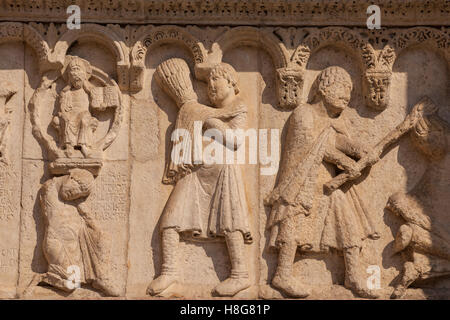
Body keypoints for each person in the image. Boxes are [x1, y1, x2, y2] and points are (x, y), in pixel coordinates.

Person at [266, 66, 380, 298]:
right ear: (324, 88)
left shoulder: (333, 121)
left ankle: (353, 276)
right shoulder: (304, 113)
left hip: (326, 184)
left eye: (350, 91)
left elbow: (338, 140)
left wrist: (363, 151)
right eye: (342, 88)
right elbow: (311, 144)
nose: (347, 96)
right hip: (298, 184)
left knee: (348, 223)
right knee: (292, 223)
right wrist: (346, 163)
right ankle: (282, 274)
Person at [147, 58, 253, 297]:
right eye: (208, 82)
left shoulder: (238, 107)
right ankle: (169, 270)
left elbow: (236, 140)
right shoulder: (199, 110)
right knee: (171, 219)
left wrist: (209, 119)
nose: (211, 86)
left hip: (224, 172)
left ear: (231, 82)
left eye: (216, 80)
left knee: (231, 222)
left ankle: (240, 274)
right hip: (195, 170)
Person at [387, 102, 450, 298]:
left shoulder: (440, 162)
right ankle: (416, 244)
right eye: (422, 145)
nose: (426, 148)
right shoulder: (438, 164)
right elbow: (423, 191)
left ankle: (417, 257)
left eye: (428, 141)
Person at [24, 168, 119, 296]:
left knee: (103, 236)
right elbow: (56, 218)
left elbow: (86, 217)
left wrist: (79, 202)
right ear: (71, 177)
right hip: (60, 243)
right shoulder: (50, 187)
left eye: (79, 195)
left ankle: (102, 277)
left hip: (77, 242)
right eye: (76, 189)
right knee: (72, 284)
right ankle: (40, 278)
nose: (75, 194)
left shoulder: (70, 195)